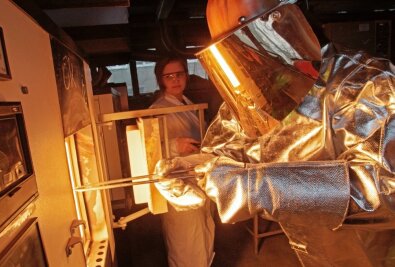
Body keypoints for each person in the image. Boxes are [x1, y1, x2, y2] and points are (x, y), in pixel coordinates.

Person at [154, 0, 395, 266]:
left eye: (243, 39)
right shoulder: (252, 95)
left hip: (375, 255)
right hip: (313, 254)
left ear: (280, 21)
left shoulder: (366, 82)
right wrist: (188, 173)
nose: (243, 59)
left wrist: (258, 188)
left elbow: (385, 190)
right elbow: (224, 157)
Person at [149, 56, 215, 267]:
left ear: (186, 76)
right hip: (179, 188)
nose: (175, 79)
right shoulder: (156, 110)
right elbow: (148, 150)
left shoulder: (189, 104)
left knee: (204, 233)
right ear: (161, 80)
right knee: (185, 242)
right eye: (169, 76)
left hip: (199, 180)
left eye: (179, 74)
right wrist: (173, 146)